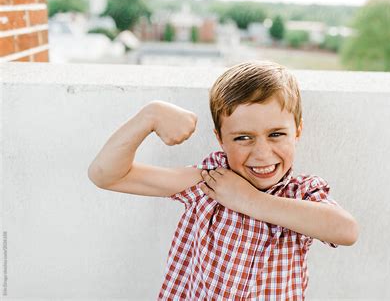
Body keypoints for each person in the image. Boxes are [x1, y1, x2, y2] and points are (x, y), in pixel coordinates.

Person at [88, 60, 359, 300]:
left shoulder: (302, 193)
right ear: (220, 138)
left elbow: (346, 231)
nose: (262, 153)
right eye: (243, 137)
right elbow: (106, 174)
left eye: (276, 134)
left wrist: (250, 200)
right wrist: (150, 115)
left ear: (297, 131)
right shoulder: (210, 182)